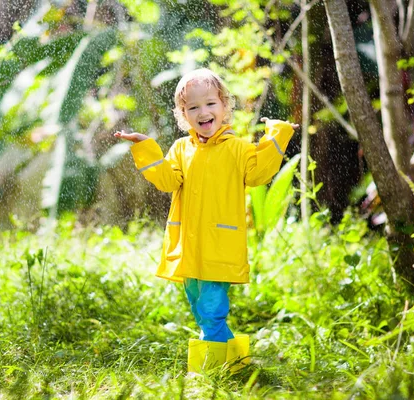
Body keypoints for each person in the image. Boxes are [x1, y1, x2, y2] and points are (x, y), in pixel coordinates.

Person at [114, 68, 297, 373]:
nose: (203, 112)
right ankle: (236, 362)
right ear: (183, 115)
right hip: (189, 247)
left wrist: (277, 135)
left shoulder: (238, 149)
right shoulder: (181, 149)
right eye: (193, 107)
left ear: (225, 106)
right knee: (199, 307)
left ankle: (210, 372)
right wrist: (146, 147)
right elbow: (167, 181)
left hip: (220, 246)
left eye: (210, 103)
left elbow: (258, 174)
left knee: (212, 310)